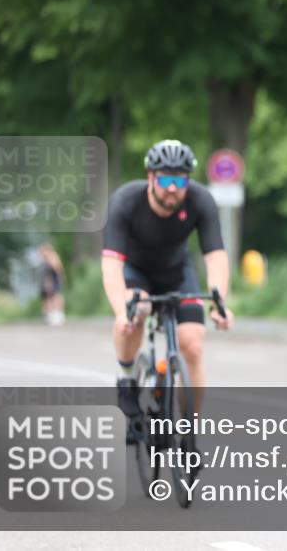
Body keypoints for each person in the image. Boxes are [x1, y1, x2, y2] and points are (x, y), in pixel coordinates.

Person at [101, 139, 234, 421]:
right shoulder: (125, 201)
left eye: (180, 179)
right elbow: (111, 263)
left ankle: (189, 431)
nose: (173, 187)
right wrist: (120, 311)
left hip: (176, 272)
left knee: (193, 344)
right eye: (165, 179)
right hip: (135, 272)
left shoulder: (201, 200)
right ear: (151, 177)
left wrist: (219, 304)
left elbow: (216, 256)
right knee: (137, 311)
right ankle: (126, 378)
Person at [37, 242, 66, 325]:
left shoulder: (53, 257)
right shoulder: (45, 259)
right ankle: (50, 315)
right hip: (48, 281)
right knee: (48, 298)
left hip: (54, 281)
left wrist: (51, 282)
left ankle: (58, 314)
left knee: (56, 296)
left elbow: (58, 270)